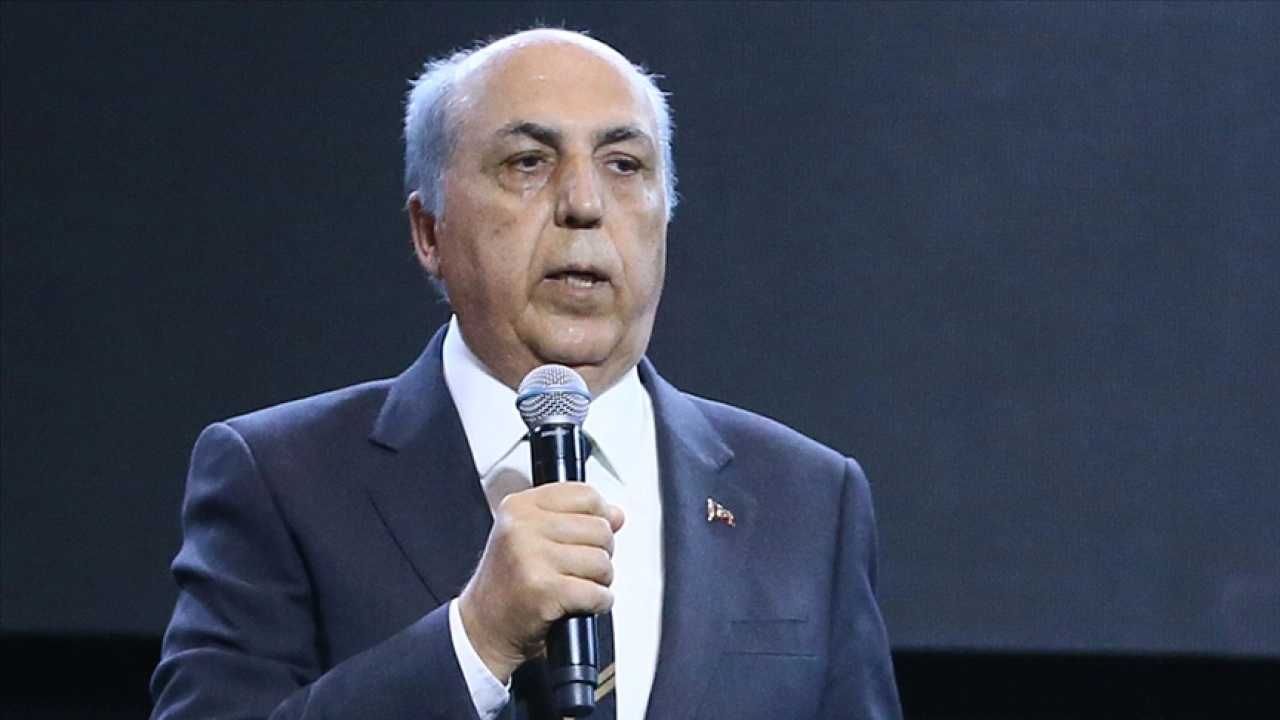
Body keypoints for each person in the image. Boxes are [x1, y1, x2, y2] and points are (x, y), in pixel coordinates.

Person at [150, 28, 902, 720]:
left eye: (624, 165)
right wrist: (476, 638)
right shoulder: (282, 478)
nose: (584, 204)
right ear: (429, 231)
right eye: (528, 163)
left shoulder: (809, 498)